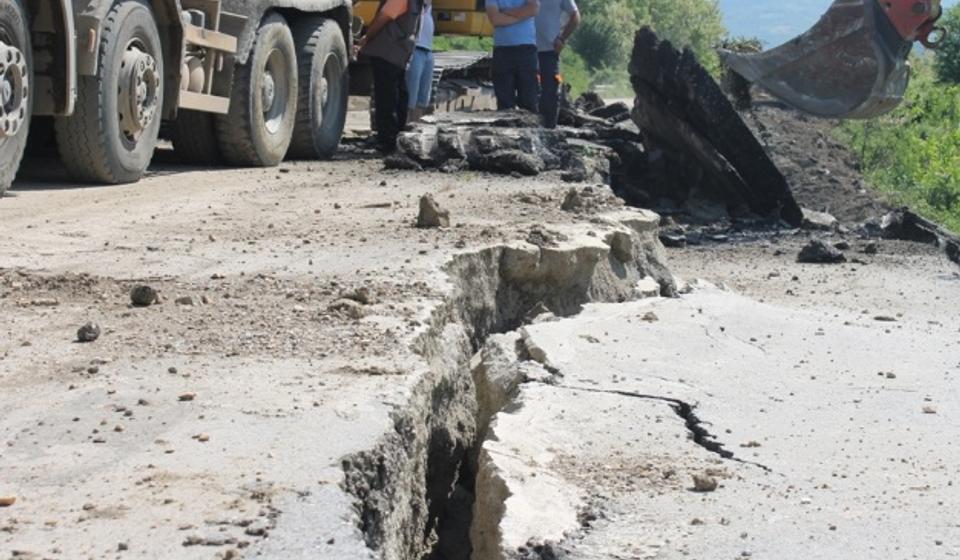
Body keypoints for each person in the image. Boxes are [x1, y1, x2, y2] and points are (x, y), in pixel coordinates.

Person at [357, 0, 425, 152]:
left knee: (386, 98)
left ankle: (386, 141)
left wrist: (366, 37)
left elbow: (384, 17)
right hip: (400, 53)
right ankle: (396, 138)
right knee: (399, 95)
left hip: (387, 51)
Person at [485, 0, 540, 112]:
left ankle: (528, 128)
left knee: (529, 99)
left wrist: (506, 13)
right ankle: (505, 127)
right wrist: (521, 16)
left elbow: (534, 8)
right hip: (503, 50)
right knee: (504, 101)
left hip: (526, 49)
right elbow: (496, 19)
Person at [535, 0, 580, 128]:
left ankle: (550, 130)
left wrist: (562, 39)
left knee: (550, 92)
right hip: (525, 48)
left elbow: (575, 16)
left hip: (549, 50)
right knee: (527, 94)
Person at [406, 0, 435, 122]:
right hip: (415, 49)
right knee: (410, 96)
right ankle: (405, 125)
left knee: (422, 99)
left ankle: (415, 128)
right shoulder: (414, 5)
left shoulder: (428, 7)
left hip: (428, 50)